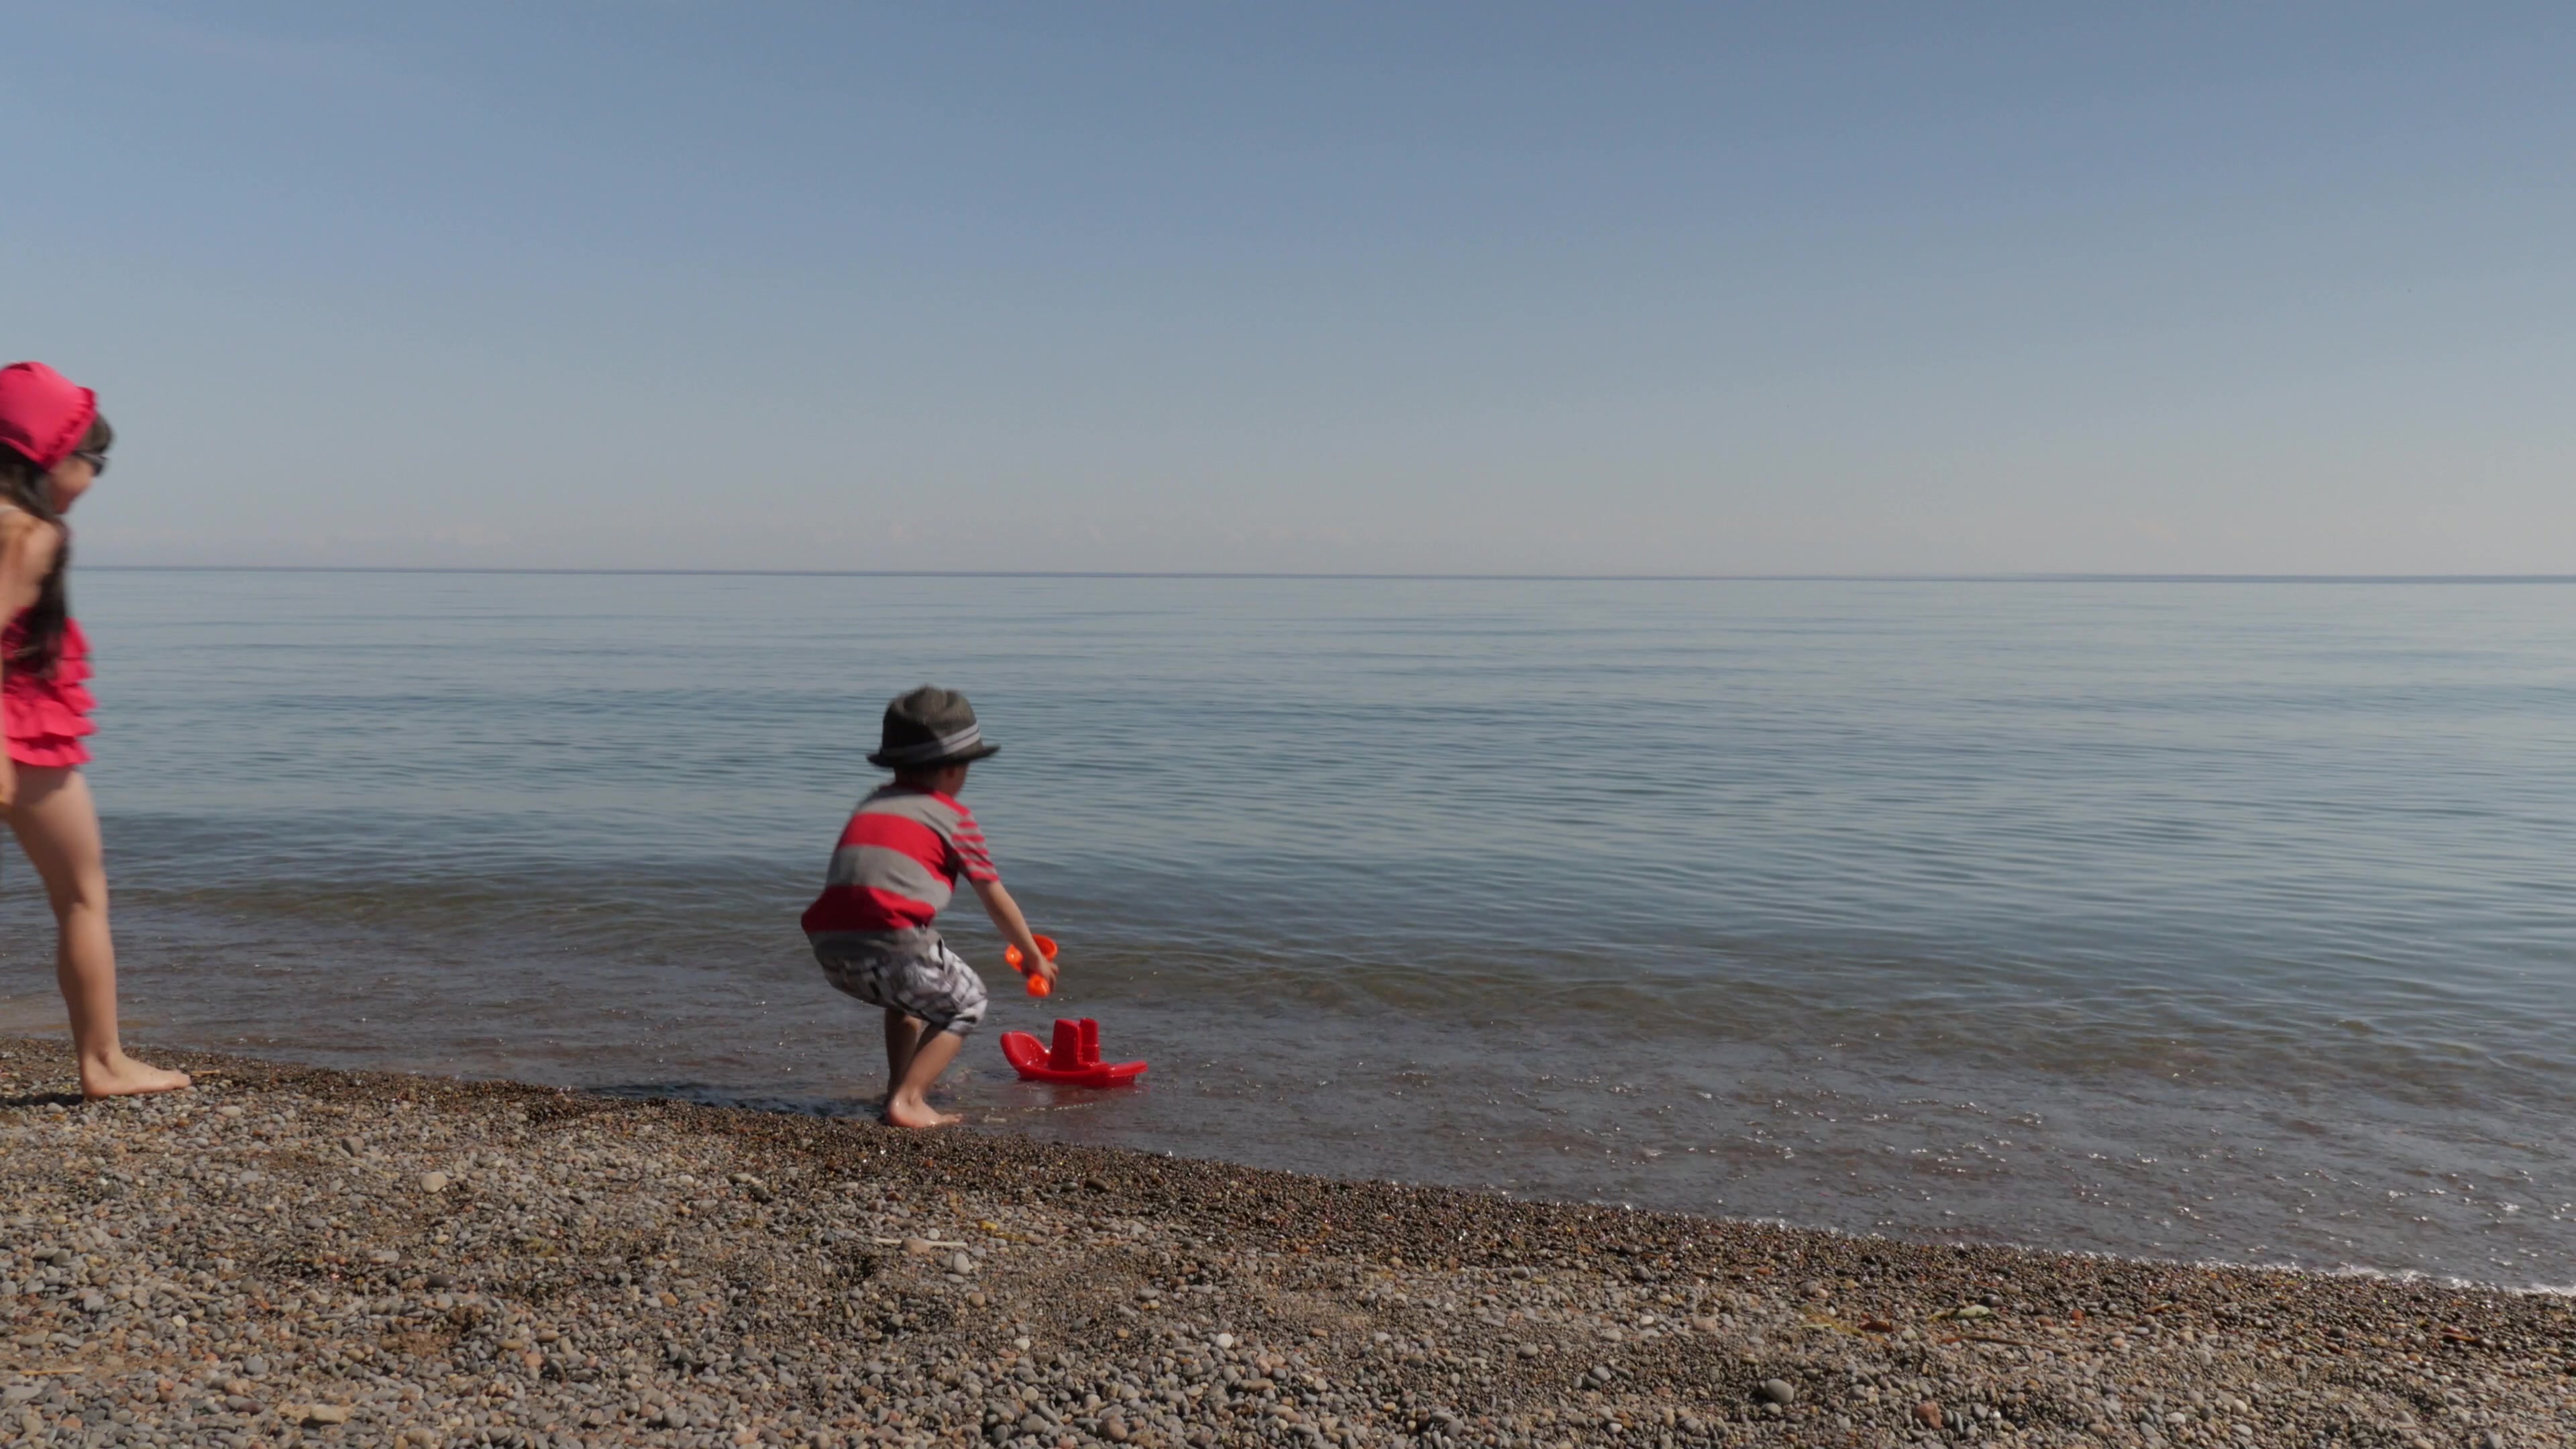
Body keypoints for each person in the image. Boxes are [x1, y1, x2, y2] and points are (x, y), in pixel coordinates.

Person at [0, 362, 189, 1097]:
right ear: (50, 455)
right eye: (94, 462)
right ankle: (103, 1064)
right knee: (82, 896)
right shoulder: (30, 532)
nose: (93, 480)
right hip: (23, 732)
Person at [801, 686, 1054, 1126]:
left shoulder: (873, 804)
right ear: (955, 768)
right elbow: (994, 897)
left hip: (831, 949)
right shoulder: (954, 819)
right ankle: (909, 1101)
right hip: (892, 943)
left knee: (908, 999)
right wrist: (1032, 955)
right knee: (967, 1003)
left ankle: (896, 1089)